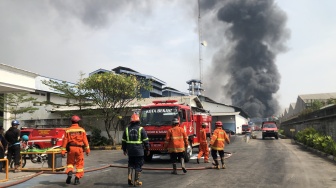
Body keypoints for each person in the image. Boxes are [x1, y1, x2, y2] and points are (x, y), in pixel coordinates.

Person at [61, 115, 90, 185]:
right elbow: (85, 141)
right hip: (79, 149)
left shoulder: (68, 130)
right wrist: (87, 150)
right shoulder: (82, 130)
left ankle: (70, 172)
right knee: (80, 164)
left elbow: (65, 141)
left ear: (71, 121)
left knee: (70, 163)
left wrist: (63, 151)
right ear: (78, 122)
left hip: (71, 149)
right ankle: (77, 178)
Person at [122, 113, 149, 187]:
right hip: (139, 151)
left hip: (130, 151)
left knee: (131, 164)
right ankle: (136, 181)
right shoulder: (141, 129)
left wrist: (124, 150)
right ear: (138, 121)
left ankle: (129, 177)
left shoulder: (127, 129)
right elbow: (146, 141)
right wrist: (148, 149)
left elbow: (123, 141)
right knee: (138, 165)